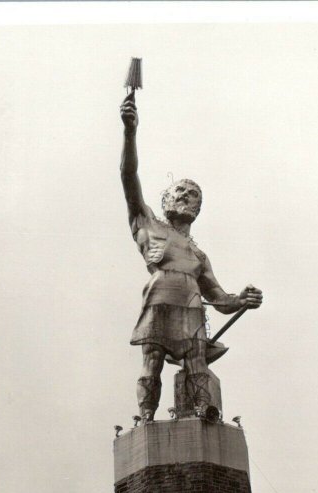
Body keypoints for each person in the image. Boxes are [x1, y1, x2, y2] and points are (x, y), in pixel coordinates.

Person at [120, 91, 263, 422]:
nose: (186, 196)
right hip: (159, 296)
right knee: (152, 358)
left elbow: (220, 299)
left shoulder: (199, 255)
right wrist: (130, 133)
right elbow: (128, 177)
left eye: (193, 194)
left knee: (197, 358)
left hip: (191, 305)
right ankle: (145, 416)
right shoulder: (148, 223)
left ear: (199, 207)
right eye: (179, 192)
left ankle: (202, 410)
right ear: (166, 199)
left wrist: (242, 298)